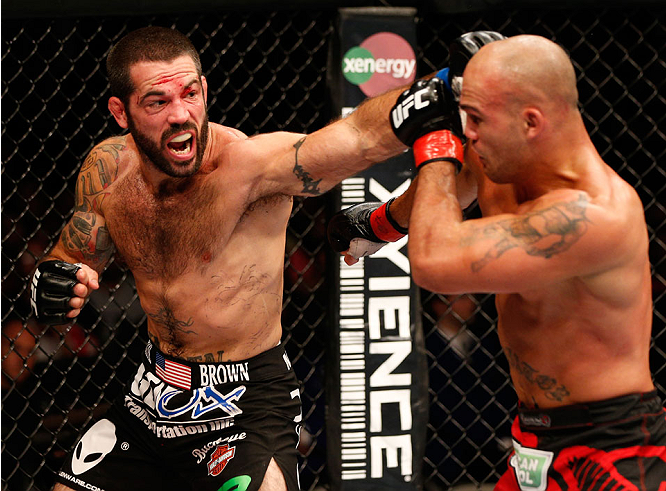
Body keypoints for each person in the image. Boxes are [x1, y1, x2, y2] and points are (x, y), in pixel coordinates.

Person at [29, 26, 501, 491]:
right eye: (157, 102)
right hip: (149, 394)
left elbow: (356, 135)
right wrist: (54, 280)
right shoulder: (108, 169)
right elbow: (70, 256)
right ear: (121, 111)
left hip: (243, 401)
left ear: (204, 89)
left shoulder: (248, 167)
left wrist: (439, 87)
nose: (180, 115)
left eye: (190, 94)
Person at [329, 35, 666, 490]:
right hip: (532, 440)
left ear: (530, 122)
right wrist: (379, 226)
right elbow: (445, 191)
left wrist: (435, 141)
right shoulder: (501, 159)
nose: (468, 132)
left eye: (476, 119)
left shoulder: (596, 215)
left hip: (612, 448)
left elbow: (436, 262)